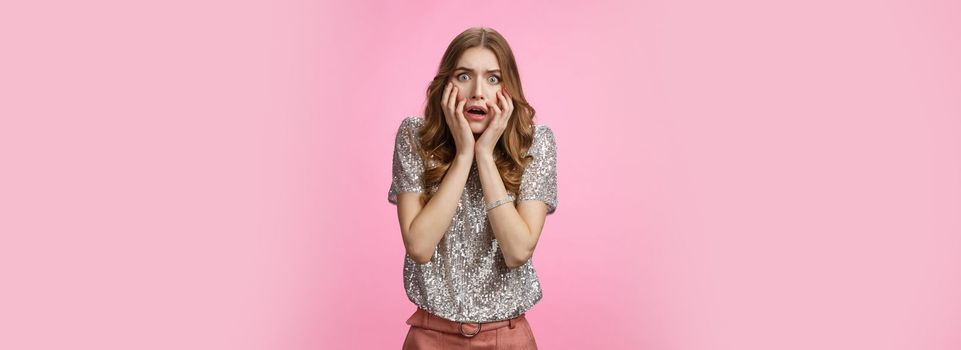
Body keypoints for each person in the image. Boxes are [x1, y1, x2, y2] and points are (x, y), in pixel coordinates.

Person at [387, 27, 557, 349]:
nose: (478, 91)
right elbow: (419, 246)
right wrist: (465, 154)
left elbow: (518, 251)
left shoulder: (535, 144)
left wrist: (484, 155)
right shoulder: (414, 138)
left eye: (493, 78)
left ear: (508, 88)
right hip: (431, 337)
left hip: (507, 338)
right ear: (446, 85)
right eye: (464, 76)